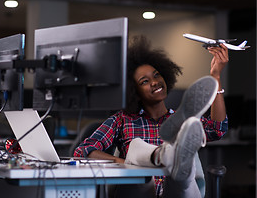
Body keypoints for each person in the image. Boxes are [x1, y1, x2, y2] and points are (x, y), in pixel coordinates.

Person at [73, 37, 229, 197]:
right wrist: (127, 165)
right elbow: (83, 150)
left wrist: (216, 77)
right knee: (137, 151)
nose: (154, 82)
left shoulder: (182, 119)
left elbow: (216, 129)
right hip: (141, 191)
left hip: (175, 193)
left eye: (156, 75)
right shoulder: (122, 120)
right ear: (133, 91)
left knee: (179, 178)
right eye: (145, 81)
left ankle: (175, 161)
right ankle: (167, 156)